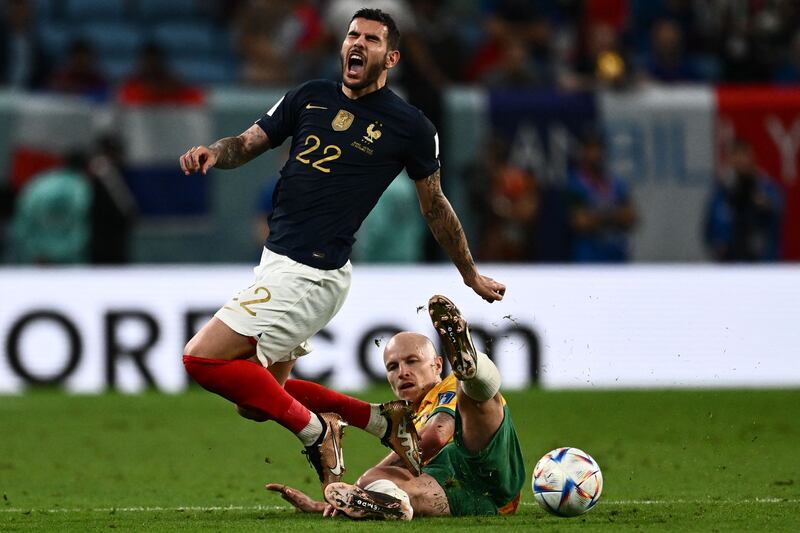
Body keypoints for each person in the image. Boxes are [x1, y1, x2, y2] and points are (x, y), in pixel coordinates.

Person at [177, 9, 505, 493]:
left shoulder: (410, 126)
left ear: (390, 57)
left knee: (200, 360)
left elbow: (435, 206)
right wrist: (214, 152)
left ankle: (318, 432)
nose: (357, 43)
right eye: (353, 35)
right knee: (260, 398)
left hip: (308, 272)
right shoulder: (309, 96)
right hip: (279, 263)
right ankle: (380, 421)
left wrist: (469, 273)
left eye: (371, 39)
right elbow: (246, 143)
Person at [266, 294, 525, 520]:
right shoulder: (405, 416)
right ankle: (394, 506)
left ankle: (472, 366)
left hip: (489, 468)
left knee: (467, 392)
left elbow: (437, 435)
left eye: (412, 362)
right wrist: (352, 494)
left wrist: (362, 480)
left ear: (436, 364)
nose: (402, 372)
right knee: (377, 478)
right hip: (457, 493)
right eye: (393, 367)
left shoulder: (444, 387)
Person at [704, 139, 784, 262]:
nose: (740, 162)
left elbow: (776, 214)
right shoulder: (722, 193)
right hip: (730, 265)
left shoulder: (766, 189)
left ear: (752, 159)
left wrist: (763, 204)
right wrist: (718, 243)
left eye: (743, 157)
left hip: (763, 265)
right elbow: (710, 229)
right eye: (735, 157)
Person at [10, 152, 92, 264]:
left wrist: (34, 250)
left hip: (36, 255)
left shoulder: (40, 182)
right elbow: (81, 223)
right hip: (68, 257)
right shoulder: (81, 187)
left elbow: (23, 218)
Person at [568, 134, 637, 263]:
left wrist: (597, 216)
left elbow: (631, 217)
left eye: (599, 149)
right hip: (589, 259)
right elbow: (581, 222)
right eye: (591, 150)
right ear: (583, 153)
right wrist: (615, 214)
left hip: (617, 256)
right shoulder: (574, 184)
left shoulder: (616, 183)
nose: (596, 154)